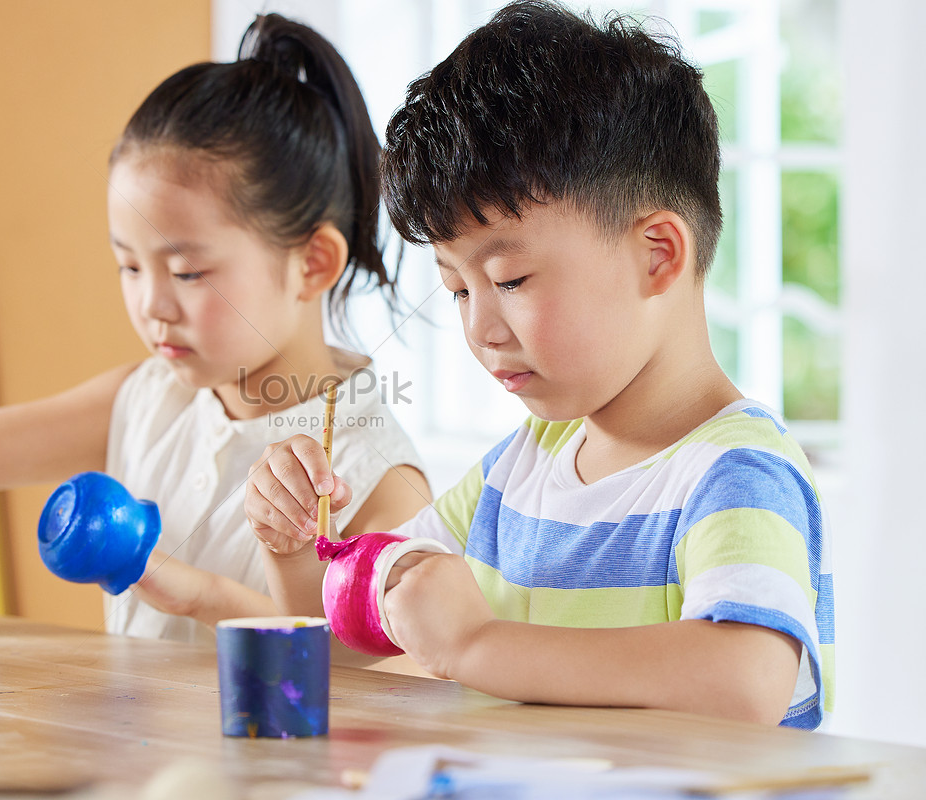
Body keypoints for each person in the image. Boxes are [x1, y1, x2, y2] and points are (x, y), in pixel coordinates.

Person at [244, 0, 832, 729]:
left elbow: (744, 682)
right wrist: (297, 548)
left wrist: (477, 644)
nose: (481, 328)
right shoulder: (515, 473)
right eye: (459, 289)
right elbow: (347, 636)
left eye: (511, 281)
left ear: (657, 256)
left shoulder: (737, 474)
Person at [0, 14, 429, 645]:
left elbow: (369, 676)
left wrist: (196, 593)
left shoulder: (375, 474)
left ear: (312, 263)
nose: (152, 306)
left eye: (189, 272)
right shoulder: (148, 401)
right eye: (128, 265)